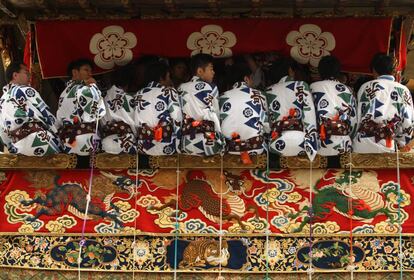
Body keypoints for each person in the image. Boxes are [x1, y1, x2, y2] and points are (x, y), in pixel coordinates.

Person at [353, 53, 414, 153]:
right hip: (387, 144)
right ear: (393, 71)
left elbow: (357, 118)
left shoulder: (365, 87)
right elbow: (408, 124)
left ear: (374, 70)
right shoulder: (403, 90)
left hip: (362, 144)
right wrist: (402, 143)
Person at [0, 62, 61, 156]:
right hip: (38, 139)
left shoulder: (2, 100)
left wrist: (11, 148)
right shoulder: (26, 90)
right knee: (64, 151)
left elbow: (1, 131)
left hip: (18, 146)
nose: (29, 76)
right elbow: (45, 114)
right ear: (15, 75)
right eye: (26, 73)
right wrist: (59, 133)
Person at [265, 57, 319, 160]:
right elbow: (309, 115)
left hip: (276, 143)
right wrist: (312, 144)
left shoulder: (268, 91)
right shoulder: (301, 85)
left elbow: (267, 124)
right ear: (290, 71)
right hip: (301, 140)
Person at [220, 61, 269, 164]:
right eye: (251, 78)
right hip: (257, 148)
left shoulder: (221, 97)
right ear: (246, 79)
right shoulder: (259, 94)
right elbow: (267, 126)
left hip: (231, 149)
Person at [56, 59, 106, 155]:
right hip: (86, 139)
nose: (90, 74)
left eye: (90, 71)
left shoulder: (63, 93)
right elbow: (97, 112)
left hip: (68, 141)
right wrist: (93, 86)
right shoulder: (83, 89)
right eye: (86, 70)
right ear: (75, 72)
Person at [178, 53, 223, 156]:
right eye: (211, 69)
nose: (213, 72)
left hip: (186, 144)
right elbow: (216, 115)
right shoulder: (211, 87)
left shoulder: (181, 88)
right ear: (200, 71)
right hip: (208, 142)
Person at [311, 56, 357, 156]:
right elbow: (354, 121)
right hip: (343, 144)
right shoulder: (347, 90)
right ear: (338, 72)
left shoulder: (313, 88)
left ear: (319, 71)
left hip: (319, 144)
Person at [135, 61, 181, 155]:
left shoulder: (138, 94)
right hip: (167, 145)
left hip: (144, 147)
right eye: (168, 76)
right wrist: (179, 141)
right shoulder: (169, 92)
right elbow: (177, 118)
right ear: (161, 77)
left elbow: (136, 122)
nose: (170, 80)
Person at [101, 65, 136, 154]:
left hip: (106, 142)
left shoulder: (103, 97)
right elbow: (134, 122)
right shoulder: (127, 98)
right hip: (126, 142)